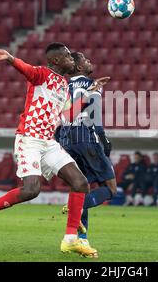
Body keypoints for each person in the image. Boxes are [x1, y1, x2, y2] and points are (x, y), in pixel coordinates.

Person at [0, 44, 108, 258]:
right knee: (31, 190)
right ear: (55, 61)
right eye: (68, 56)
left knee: (81, 183)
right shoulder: (42, 74)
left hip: (48, 142)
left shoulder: (63, 84)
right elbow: (26, 69)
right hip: (29, 140)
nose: (72, 59)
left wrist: (89, 93)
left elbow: (67, 116)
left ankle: (70, 240)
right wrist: (10, 58)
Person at [56, 51, 116, 254]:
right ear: (80, 67)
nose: (91, 62)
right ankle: (79, 209)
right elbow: (94, 112)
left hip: (66, 141)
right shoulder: (91, 84)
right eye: (87, 60)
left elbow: (59, 119)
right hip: (86, 138)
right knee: (111, 188)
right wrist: (103, 137)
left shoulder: (62, 87)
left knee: (81, 188)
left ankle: (81, 238)